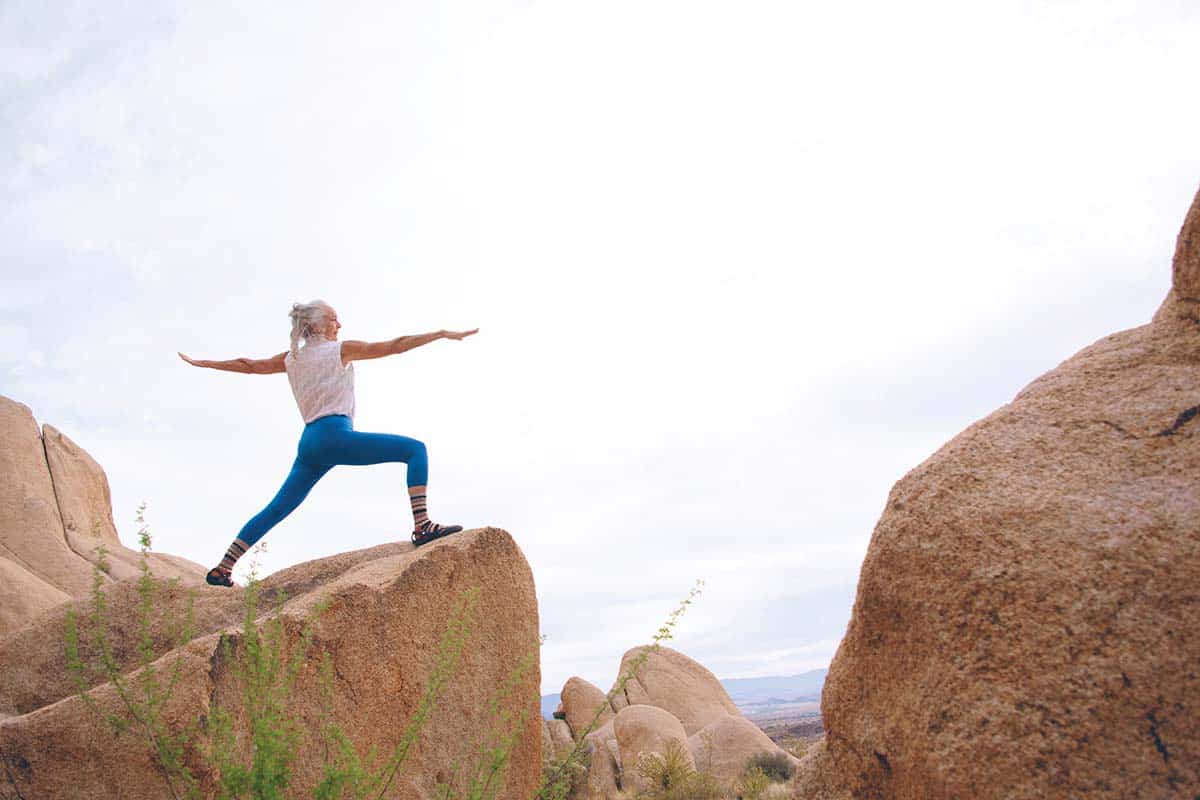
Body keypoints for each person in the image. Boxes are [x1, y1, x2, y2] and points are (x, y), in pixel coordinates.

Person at [178, 300, 478, 587]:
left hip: (310, 444)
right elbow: (394, 346)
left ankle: (225, 567)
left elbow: (249, 365)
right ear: (319, 325)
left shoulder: (291, 358)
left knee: (277, 508)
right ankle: (422, 525)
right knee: (415, 450)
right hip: (335, 435)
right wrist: (439, 334)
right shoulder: (339, 350)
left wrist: (204, 363)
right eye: (335, 319)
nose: (340, 324)